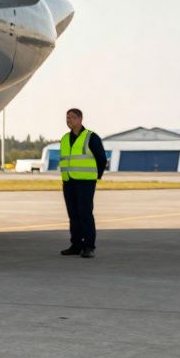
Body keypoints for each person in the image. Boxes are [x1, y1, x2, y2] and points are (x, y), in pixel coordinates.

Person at [59, 108, 107, 258]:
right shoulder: (65, 138)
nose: (69, 120)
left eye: (72, 118)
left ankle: (89, 246)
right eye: (67, 118)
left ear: (80, 119)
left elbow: (101, 159)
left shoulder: (91, 137)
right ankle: (76, 245)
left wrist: (95, 176)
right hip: (69, 182)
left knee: (85, 213)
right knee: (73, 215)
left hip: (85, 182)